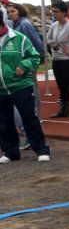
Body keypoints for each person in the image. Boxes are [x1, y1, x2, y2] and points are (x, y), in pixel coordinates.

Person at [0, 17, 50, 164]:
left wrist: (23, 65)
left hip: (20, 85)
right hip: (1, 89)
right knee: (4, 121)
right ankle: (10, 152)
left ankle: (41, 149)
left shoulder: (19, 38)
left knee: (29, 117)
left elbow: (34, 57)